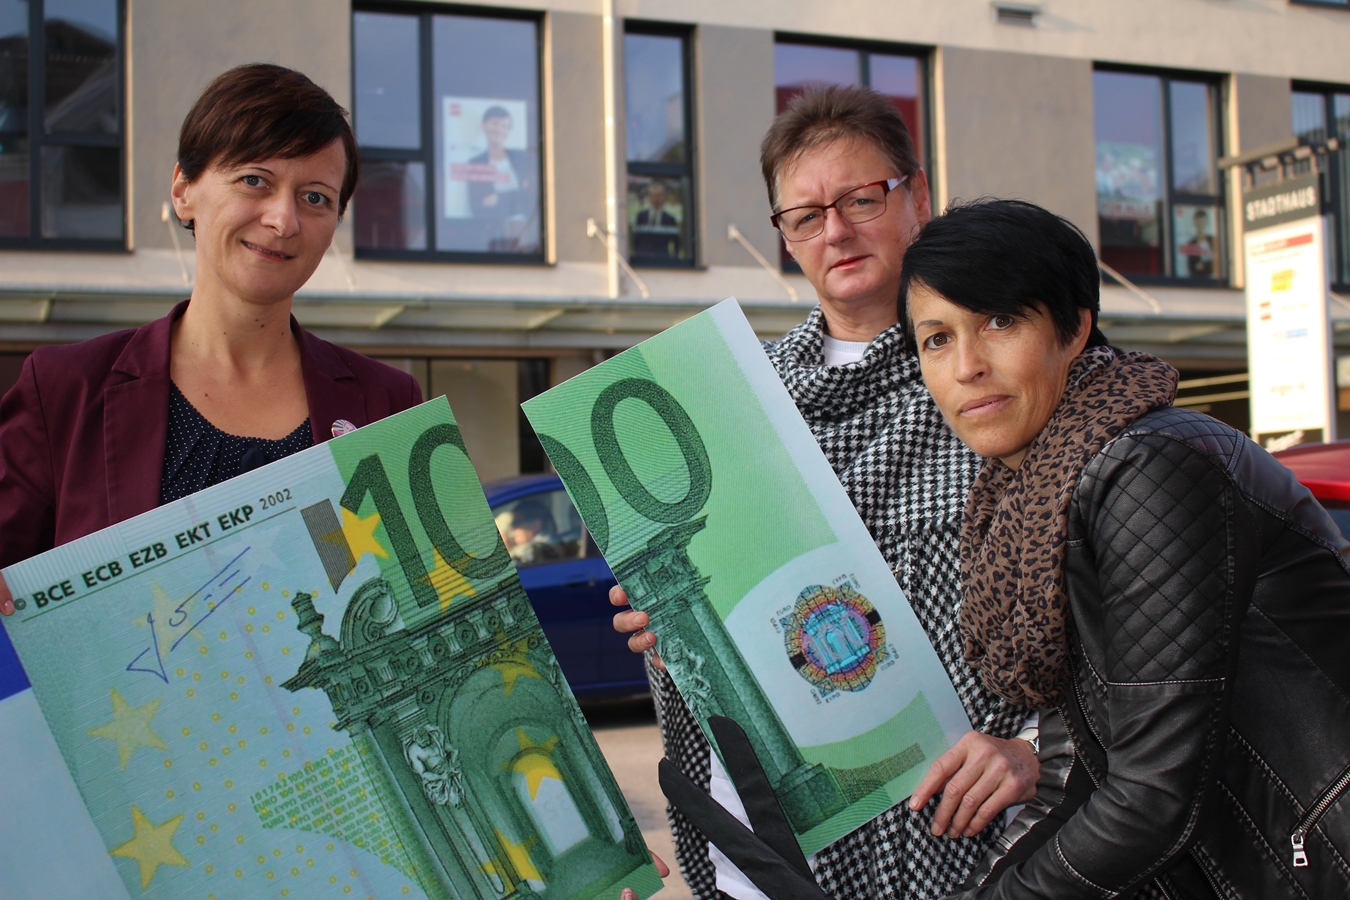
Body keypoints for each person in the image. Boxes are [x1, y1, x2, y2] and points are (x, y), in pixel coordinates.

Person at [613, 85, 1035, 899]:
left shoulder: (992, 384)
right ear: (785, 236)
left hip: (965, 853)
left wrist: (1038, 750)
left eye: (860, 199)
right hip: (764, 863)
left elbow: (1102, 639)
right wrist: (667, 630)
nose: (835, 231)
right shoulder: (729, 399)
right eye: (806, 216)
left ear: (917, 196)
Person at [896, 199, 1349, 897]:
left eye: (1000, 321)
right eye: (936, 339)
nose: (967, 366)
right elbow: (1074, 771)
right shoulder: (1034, 501)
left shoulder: (1148, 465)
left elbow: (1152, 792)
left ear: (1074, 327)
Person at [0, 63, 423, 610]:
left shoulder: (388, 402)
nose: (284, 220)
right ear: (184, 190)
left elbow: (416, 598)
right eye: (255, 180)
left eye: (315, 197)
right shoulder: (64, 390)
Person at [466, 105, 539, 252]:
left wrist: (498, 198)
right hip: (494, 235)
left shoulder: (522, 158)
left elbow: (530, 198)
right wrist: (518, 193)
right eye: (495, 123)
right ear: (484, 126)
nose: (499, 129)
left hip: (525, 232)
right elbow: (478, 207)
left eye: (505, 126)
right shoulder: (476, 163)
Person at [632, 180, 683, 259]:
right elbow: (636, 240)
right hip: (643, 258)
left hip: (663, 258)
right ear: (649, 197)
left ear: (664, 198)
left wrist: (673, 259)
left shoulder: (669, 219)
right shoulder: (641, 216)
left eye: (659, 196)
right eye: (654, 196)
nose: (656, 199)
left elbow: (677, 242)